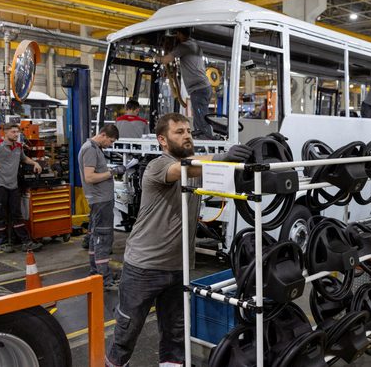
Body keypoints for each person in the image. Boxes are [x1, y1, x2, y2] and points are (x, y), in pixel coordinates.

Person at [106, 113, 251, 367]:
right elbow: (181, 169)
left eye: (188, 131)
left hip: (178, 267)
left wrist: (260, 153)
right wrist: (220, 158)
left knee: (175, 336)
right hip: (144, 267)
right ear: (162, 140)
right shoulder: (158, 166)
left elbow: (229, 178)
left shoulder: (195, 168)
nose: (186, 136)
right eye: (179, 132)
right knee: (126, 334)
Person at [0, 123, 43, 253]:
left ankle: (26, 242)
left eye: (17, 132)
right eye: (13, 132)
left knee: (17, 214)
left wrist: (34, 162)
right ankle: (4, 243)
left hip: (13, 185)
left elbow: (24, 158)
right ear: (5, 133)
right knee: (0, 215)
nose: (16, 134)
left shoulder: (18, 146)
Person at [79, 124, 125, 291]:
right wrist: (113, 172)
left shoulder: (94, 148)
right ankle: (104, 279)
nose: (110, 145)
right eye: (110, 141)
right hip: (100, 200)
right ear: (103, 135)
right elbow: (90, 177)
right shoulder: (90, 149)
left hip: (100, 199)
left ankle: (95, 273)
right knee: (103, 238)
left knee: (95, 237)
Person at [161, 28, 214, 139]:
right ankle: (203, 138)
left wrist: (155, 56)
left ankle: (205, 142)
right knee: (200, 117)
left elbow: (166, 59)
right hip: (204, 88)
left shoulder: (184, 46)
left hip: (198, 89)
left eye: (177, 34)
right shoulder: (195, 45)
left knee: (200, 119)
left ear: (179, 33)